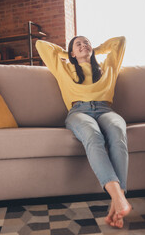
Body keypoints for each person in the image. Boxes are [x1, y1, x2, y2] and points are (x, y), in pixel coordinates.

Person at [36, 36, 131, 228]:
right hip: (78, 111)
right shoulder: (64, 68)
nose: (83, 45)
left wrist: (94, 49)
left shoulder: (108, 66)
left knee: (118, 132)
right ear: (72, 52)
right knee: (92, 135)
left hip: (106, 110)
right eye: (77, 44)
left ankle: (117, 202)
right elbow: (41, 45)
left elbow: (120, 41)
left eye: (86, 42)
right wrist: (68, 54)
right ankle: (119, 196)